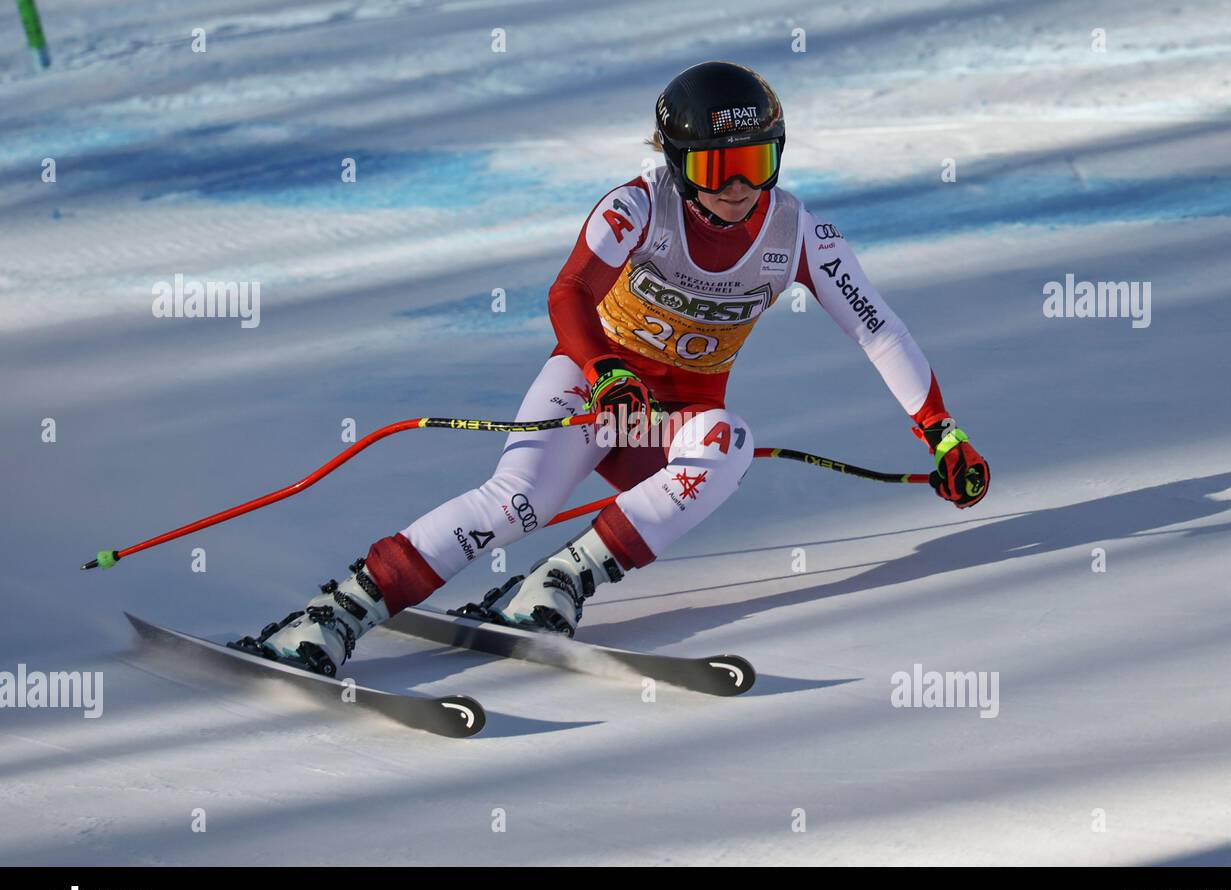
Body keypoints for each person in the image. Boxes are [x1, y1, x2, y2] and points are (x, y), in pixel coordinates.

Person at [241, 60, 990, 678]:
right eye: (719, 167)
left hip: (668, 422)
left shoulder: (802, 236)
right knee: (514, 504)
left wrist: (942, 435)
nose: (739, 189)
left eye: (757, 164)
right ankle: (337, 613)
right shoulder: (638, 206)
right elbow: (568, 291)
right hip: (590, 390)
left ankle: (563, 579)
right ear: (676, 161)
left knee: (727, 443)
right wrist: (603, 370)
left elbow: (878, 329)